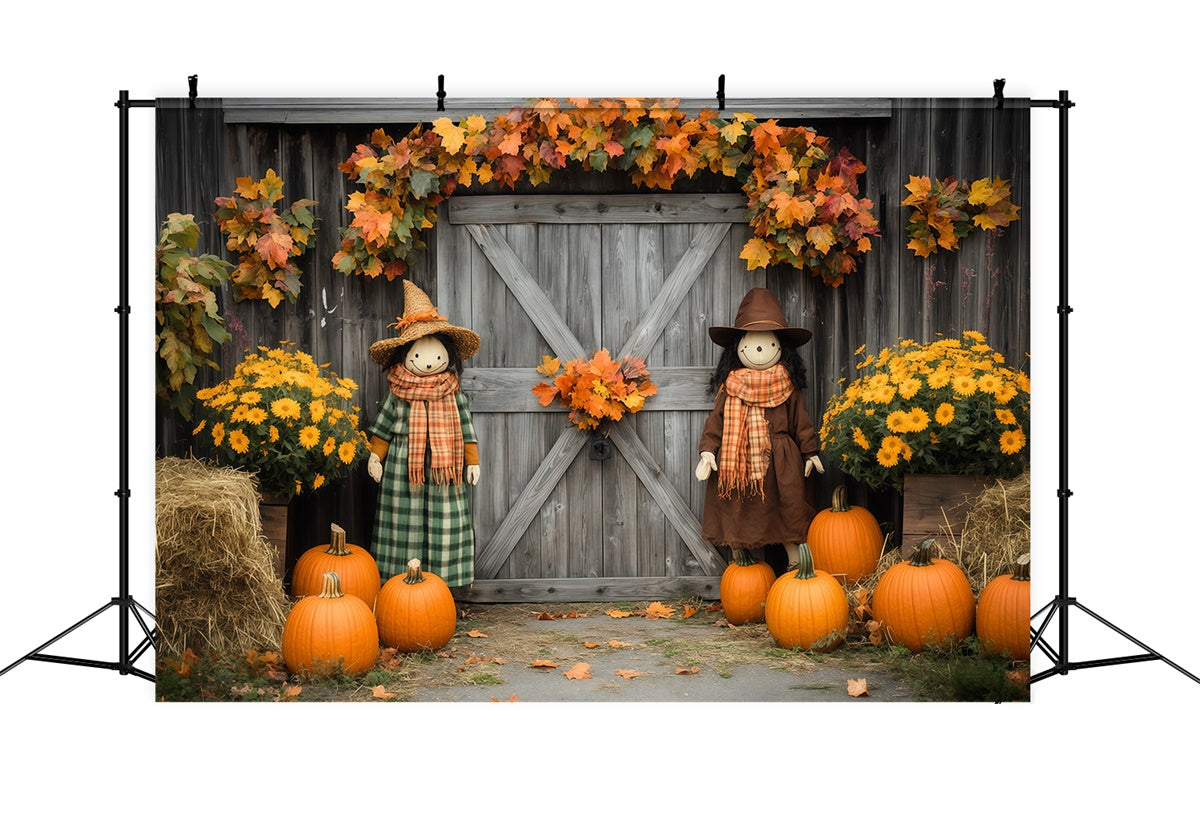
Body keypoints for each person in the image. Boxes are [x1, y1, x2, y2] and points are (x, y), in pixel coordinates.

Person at [695, 287, 824, 568]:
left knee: (787, 514)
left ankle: (796, 570)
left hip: (781, 463)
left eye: (767, 344)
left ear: (780, 347)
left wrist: (810, 452)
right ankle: (746, 570)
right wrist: (708, 452)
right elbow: (715, 422)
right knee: (744, 513)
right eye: (752, 344)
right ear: (738, 347)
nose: (759, 351)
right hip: (739, 460)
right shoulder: (731, 386)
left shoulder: (787, 386)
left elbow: (800, 421)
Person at [365, 280, 481, 586]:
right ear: (405, 355)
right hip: (405, 467)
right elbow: (384, 427)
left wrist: (473, 461)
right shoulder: (398, 391)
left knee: (446, 521)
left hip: (446, 468)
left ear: (448, 354)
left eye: (435, 355)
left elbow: (466, 428)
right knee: (405, 521)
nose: (429, 362)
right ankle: (400, 581)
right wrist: (376, 456)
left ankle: (442, 586)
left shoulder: (452, 392)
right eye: (419, 355)